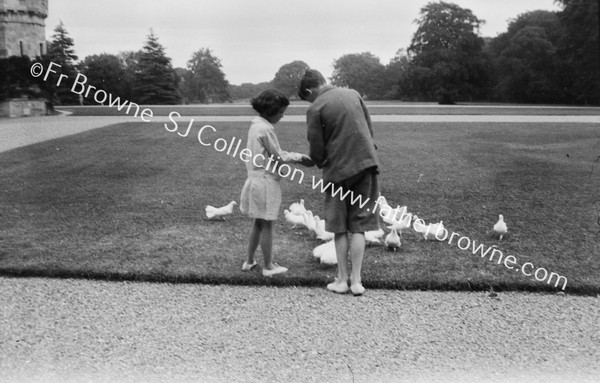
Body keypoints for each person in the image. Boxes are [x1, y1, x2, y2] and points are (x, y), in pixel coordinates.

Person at [298, 69, 381, 296]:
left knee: (339, 226)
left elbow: (316, 147)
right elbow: (369, 129)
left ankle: (342, 280)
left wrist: (314, 161)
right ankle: (357, 282)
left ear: (309, 90)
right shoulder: (353, 94)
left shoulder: (315, 108)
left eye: (308, 97)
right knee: (359, 226)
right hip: (366, 164)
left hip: (338, 171)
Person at [240, 89, 314, 277]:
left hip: (254, 180)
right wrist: (300, 158)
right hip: (266, 182)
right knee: (267, 225)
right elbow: (277, 155)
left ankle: (249, 261)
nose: (282, 116)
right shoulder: (266, 129)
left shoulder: (255, 125)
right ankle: (268, 266)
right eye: (281, 112)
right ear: (271, 111)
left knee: (258, 223)